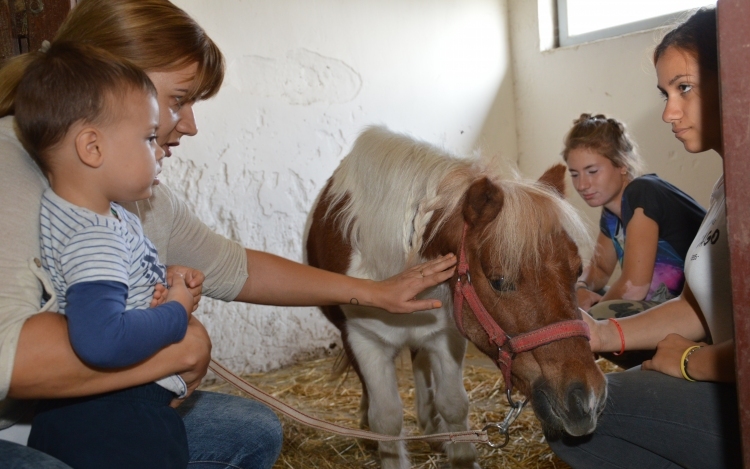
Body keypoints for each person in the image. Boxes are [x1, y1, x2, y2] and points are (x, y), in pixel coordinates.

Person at [0, 0, 457, 467]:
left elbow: (233, 268)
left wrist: (373, 292)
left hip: (79, 410)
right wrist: (174, 349)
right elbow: (11, 360)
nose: (191, 125)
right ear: (111, 81)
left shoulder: (127, 194)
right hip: (16, 423)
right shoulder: (8, 165)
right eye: (178, 100)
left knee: (248, 431)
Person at [547, 7, 741, 468]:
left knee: (576, 417)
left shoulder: (642, 193)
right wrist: (596, 333)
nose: (669, 112)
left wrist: (692, 360)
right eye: (665, 93)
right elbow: (696, 307)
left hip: (717, 369)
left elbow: (632, 287)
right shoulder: (724, 189)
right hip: (708, 356)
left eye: (685, 88)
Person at [15, 41, 206, 468]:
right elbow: (103, 339)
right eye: (147, 138)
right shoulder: (93, 235)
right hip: (118, 422)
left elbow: (103, 285)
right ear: (93, 148)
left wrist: (158, 276)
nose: (159, 151)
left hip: (90, 415)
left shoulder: (81, 214)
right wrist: (176, 310)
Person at [563, 114, 705, 367]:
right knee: (578, 300)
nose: (583, 184)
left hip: (702, 314)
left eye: (592, 171)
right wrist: (581, 289)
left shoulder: (642, 192)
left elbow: (634, 287)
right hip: (666, 303)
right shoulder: (611, 213)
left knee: (599, 313)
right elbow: (600, 269)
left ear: (622, 164)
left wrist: (587, 319)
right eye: (574, 174)